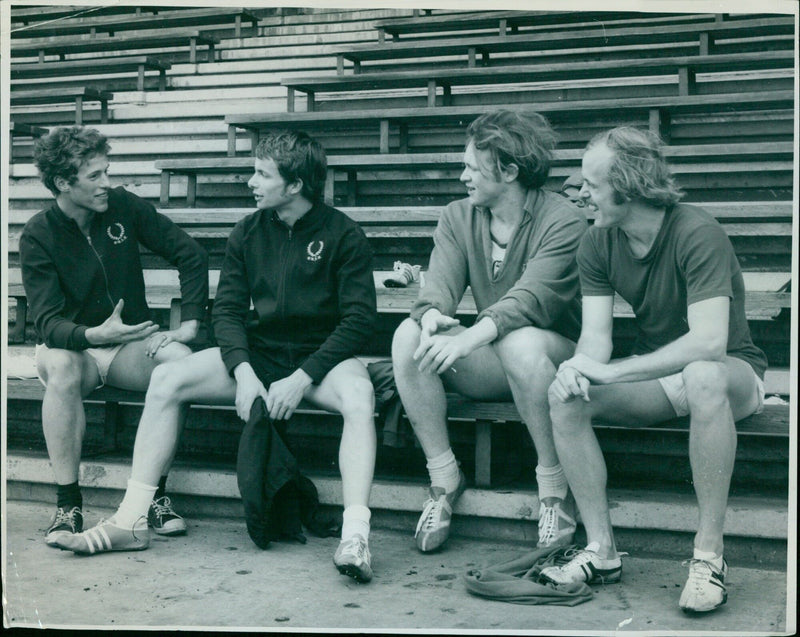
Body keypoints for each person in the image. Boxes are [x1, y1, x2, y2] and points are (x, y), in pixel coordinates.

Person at [53, 131, 380, 584]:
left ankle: (356, 535)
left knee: (361, 395)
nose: (251, 182)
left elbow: (360, 321)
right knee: (167, 380)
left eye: (262, 174)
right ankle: (131, 519)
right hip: (260, 354)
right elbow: (226, 311)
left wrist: (304, 377)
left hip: (320, 358)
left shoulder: (343, 233)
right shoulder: (247, 231)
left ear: (295, 185)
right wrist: (244, 372)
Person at [540, 127, 767, 614]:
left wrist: (616, 374)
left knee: (702, 374)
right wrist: (577, 369)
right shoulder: (598, 240)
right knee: (565, 395)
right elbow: (596, 339)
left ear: (627, 187)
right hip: (661, 379)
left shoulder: (695, 230)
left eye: (591, 185)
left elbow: (710, 342)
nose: (579, 194)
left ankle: (709, 558)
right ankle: (600, 551)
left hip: (732, 374)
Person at [391, 110, 588, 553]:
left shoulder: (564, 219)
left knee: (519, 340)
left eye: (473, 169)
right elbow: (439, 283)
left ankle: (555, 487)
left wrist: (467, 337)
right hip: (493, 354)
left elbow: (530, 300)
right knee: (407, 337)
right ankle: (444, 481)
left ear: (511, 171)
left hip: (554, 361)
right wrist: (430, 315)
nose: (463, 177)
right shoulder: (458, 215)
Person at [20, 126, 209, 547]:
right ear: (63, 184)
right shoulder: (38, 234)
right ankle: (68, 504)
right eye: (94, 176)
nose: (107, 183)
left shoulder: (122, 205)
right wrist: (91, 333)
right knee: (64, 365)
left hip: (128, 346)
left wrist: (191, 321)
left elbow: (191, 255)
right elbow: (48, 323)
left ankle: (153, 496)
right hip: (74, 350)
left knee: (179, 361)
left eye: (107, 171)